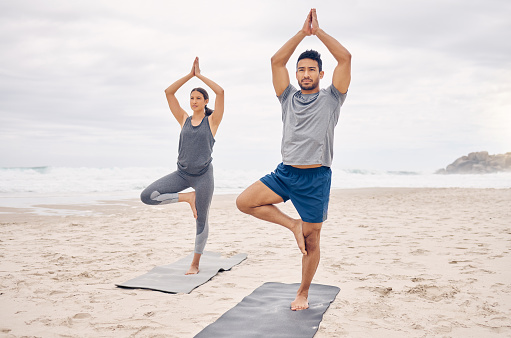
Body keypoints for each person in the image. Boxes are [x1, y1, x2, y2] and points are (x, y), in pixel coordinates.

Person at [236, 8, 351, 310]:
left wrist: (319, 32)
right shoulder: (287, 97)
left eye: (311, 69)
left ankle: (303, 292)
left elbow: (345, 59)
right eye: (301, 69)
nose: (305, 74)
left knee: (312, 244)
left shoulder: (332, 97)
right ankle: (292, 225)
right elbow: (276, 61)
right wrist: (302, 32)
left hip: (316, 179)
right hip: (285, 174)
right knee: (245, 202)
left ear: (320, 74)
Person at [141, 57, 224, 275]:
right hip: (182, 174)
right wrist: (189, 75)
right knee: (147, 196)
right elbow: (168, 92)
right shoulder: (184, 119)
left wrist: (200, 75)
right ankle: (188, 197)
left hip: (203, 176)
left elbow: (221, 92)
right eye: (191, 97)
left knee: (202, 219)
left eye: (198, 98)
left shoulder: (212, 121)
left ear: (205, 101)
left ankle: (195, 264)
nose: (194, 101)